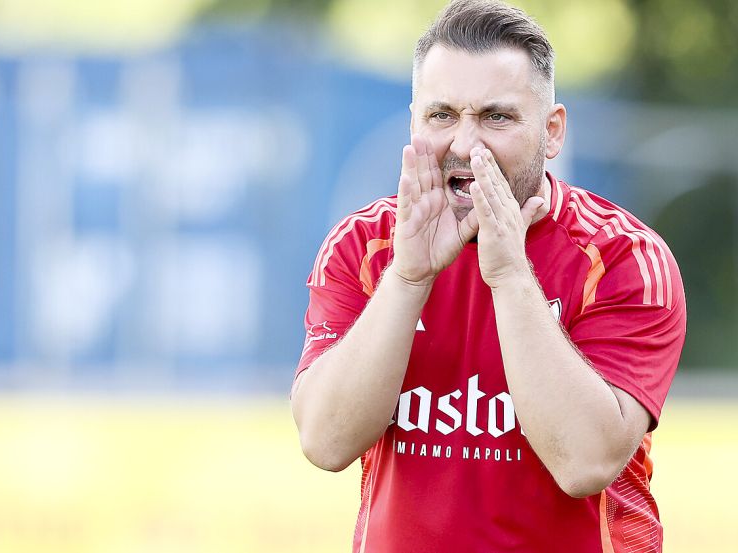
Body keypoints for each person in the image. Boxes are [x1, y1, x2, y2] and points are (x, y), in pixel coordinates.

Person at [291, 0, 686, 551]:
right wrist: (407, 279)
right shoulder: (363, 247)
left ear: (552, 133)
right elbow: (326, 442)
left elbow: (585, 462)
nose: (465, 144)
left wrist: (509, 275)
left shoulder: (622, 258)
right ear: (414, 122)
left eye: (496, 117)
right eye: (442, 115)